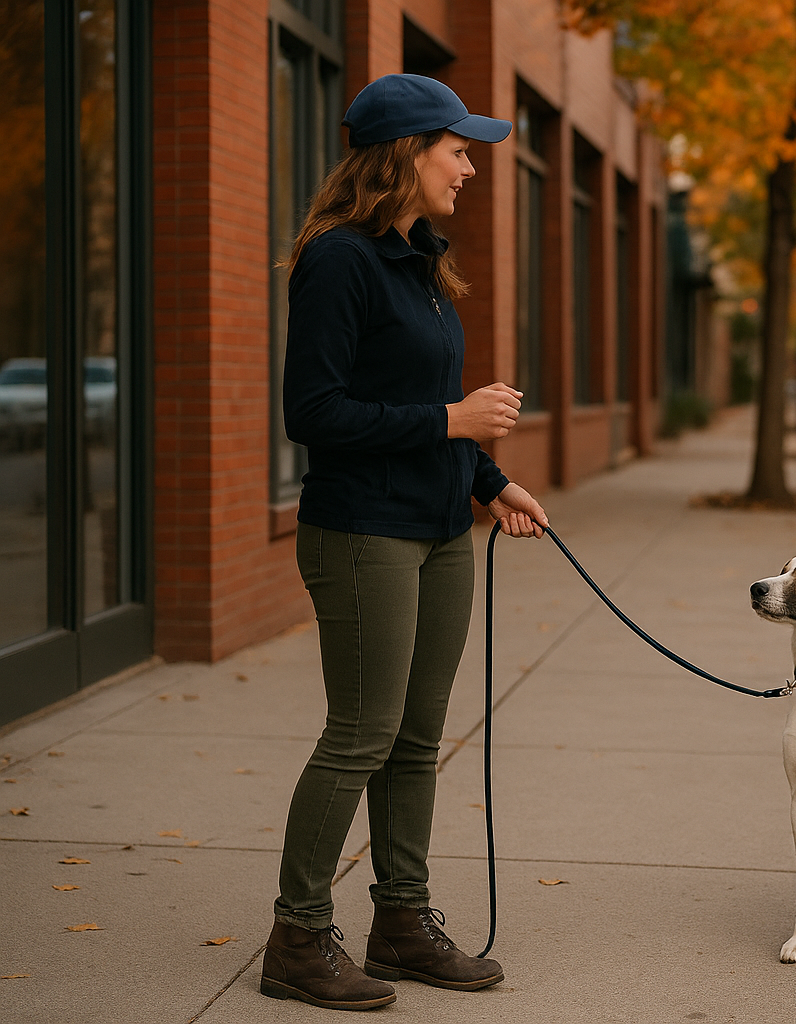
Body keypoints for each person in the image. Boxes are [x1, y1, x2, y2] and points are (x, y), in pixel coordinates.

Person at [260, 74, 549, 1012]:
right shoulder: (338, 261)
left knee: (417, 741)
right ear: (404, 154)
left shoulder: (420, 261)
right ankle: (298, 937)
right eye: (457, 148)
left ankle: (400, 921)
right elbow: (316, 411)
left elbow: (439, 421)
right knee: (361, 735)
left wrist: (490, 479)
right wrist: (454, 419)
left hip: (437, 533)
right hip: (361, 534)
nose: (470, 165)